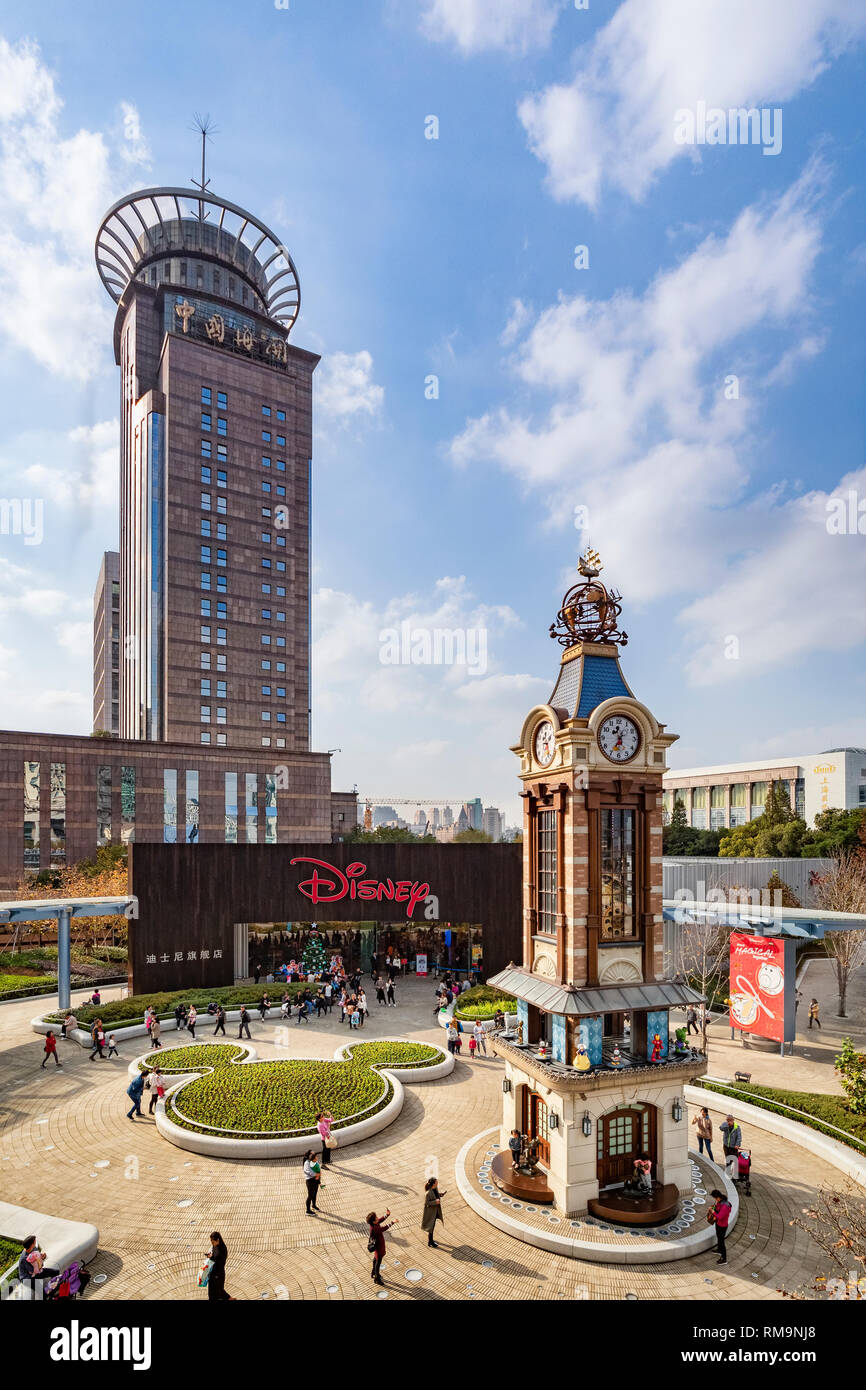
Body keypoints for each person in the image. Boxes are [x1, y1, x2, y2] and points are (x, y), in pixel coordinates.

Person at [366, 1209, 395, 1286]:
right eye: (376, 1218)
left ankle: (373, 1273)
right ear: (373, 1221)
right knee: (378, 1263)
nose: (377, 1218)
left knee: (375, 1259)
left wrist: (387, 1215)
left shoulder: (374, 1224)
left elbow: (380, 1220)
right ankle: (377, 1279)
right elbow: (384, 1228)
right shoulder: (375, 1228)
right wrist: (393, 1222)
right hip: (379, 1247)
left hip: (378, 1246)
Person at [207, 1231, 233, 1300]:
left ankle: (230, 1299)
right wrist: (210, 1255)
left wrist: (211, 1257)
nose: (212, 1243)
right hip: (213, 1274)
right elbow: (213, 1254)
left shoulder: (222, 1250)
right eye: (211, 1241)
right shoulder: (215, 1246)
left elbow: (219, 1264)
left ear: (218, 1240)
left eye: (213, 1241)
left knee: (219, 1291)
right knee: (213, 1293)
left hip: (218, 1275)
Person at [708, 1189, 732, 1263]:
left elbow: (719, 1216)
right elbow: (717, 1209)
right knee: (719, 1237)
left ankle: (724, 1258)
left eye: (715, 1198)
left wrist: (713, 1212)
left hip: (722, 1226)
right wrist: (713, 1208)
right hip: (718, 1224)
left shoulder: (725, 1206)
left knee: (721, 1242)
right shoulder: (720, 1202)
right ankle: (719, 1250)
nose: (715, 1200)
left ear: (718, 1197)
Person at [421, 1176, 445, 1248]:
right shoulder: (428, 1193)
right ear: (433, 1183)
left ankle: (430, 1240)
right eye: (436, 1182)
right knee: (431, 1226)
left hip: (435, 1210)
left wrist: (440, 1194)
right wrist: (435, 1202)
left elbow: (436, 1195)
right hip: (430, 1213)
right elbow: (427, 1203)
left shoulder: (435, 1188)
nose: (437, 1182)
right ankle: (430, 1242)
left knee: (432, 1226)